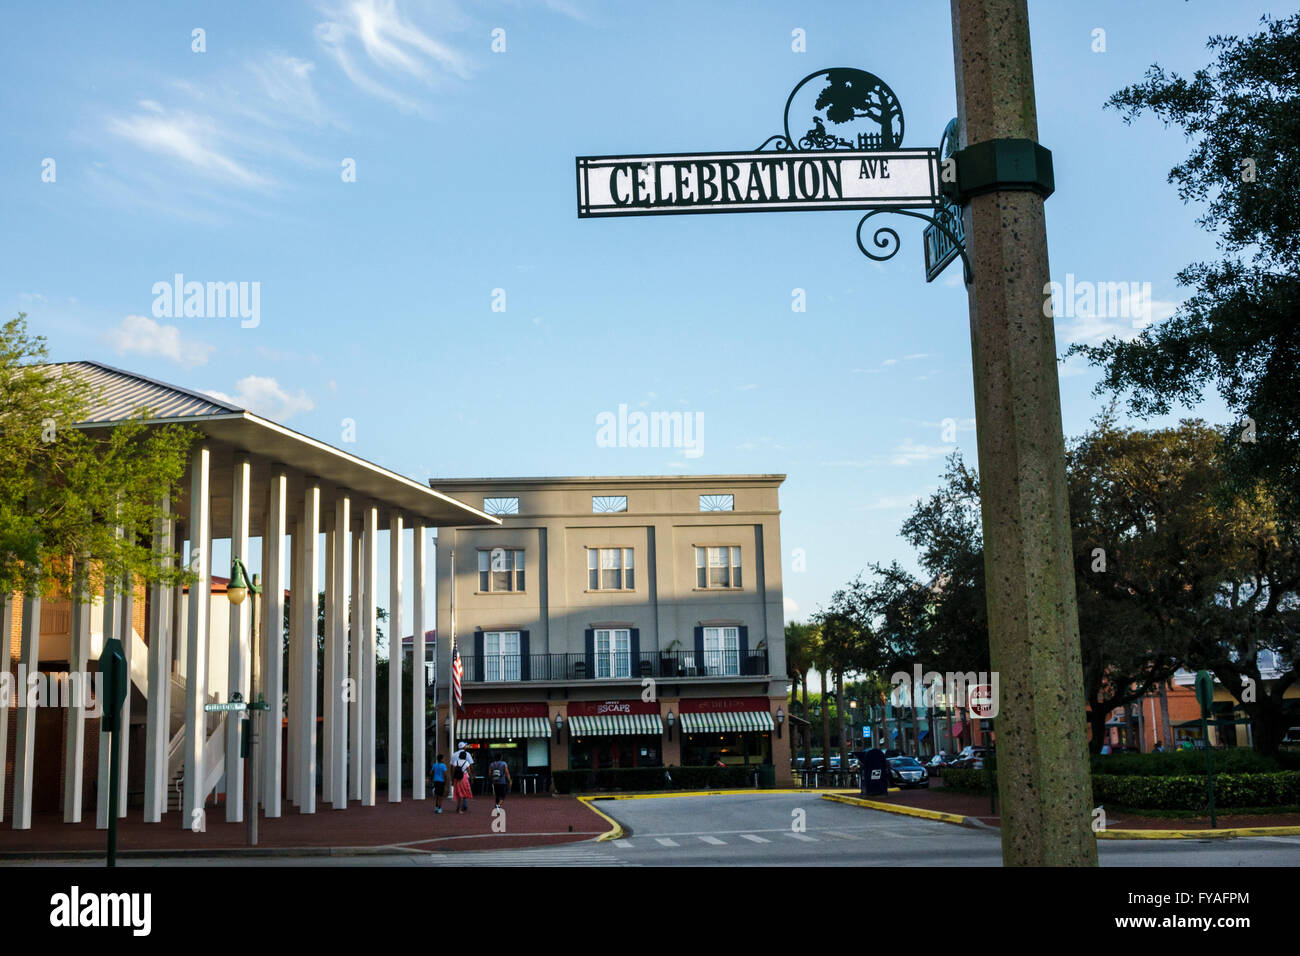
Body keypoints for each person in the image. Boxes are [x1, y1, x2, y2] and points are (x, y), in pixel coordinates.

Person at [452, 742, 475, 813]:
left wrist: (452, 778)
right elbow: (470, 769)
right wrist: (472, 777)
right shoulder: (467, 758)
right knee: (464, 791)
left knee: (458, 791)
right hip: (464, 777)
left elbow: (452, 769)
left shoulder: (455, 758)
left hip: (457, 778)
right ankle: (462, 807)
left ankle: (459, 806)